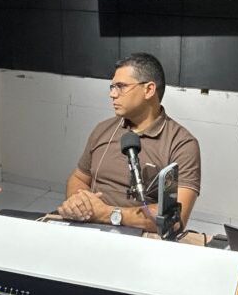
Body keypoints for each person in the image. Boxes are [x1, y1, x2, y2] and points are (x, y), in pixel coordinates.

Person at [57, 53, 201, 232]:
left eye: (121, 86)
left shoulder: (182, 144)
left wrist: (107, 214)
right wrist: (78, 203)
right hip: (88, 225)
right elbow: (79, 178)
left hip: (139, 236)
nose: (112, 94)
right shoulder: (103, 130)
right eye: (112, 87)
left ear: (149, 90)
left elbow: (175, 219)